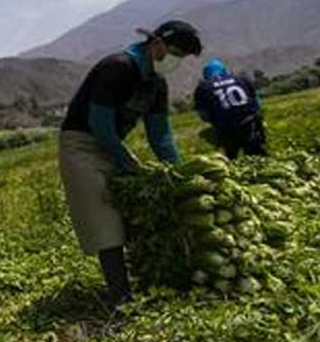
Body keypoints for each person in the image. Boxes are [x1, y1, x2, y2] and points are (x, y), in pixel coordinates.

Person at [58, 20, 203, 305]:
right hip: (83, 145)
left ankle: (150, 279)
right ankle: (120, 297)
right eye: (174, 52)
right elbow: (99, 124)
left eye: (181, 58)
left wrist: (177, 172)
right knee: (102, 216)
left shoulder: (156, 85)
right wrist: (128, 160)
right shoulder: (118, 67)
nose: (174, 61)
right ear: (156, 43)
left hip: (112, 145)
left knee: (135, 211)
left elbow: (160, 136)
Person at [193, 59, 266, 159]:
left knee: (231, 159)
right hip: (251, 124)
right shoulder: (242, 79)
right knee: (258, 157)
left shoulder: (203, 88)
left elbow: (204, 116)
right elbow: (257, 103)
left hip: (226, 129)